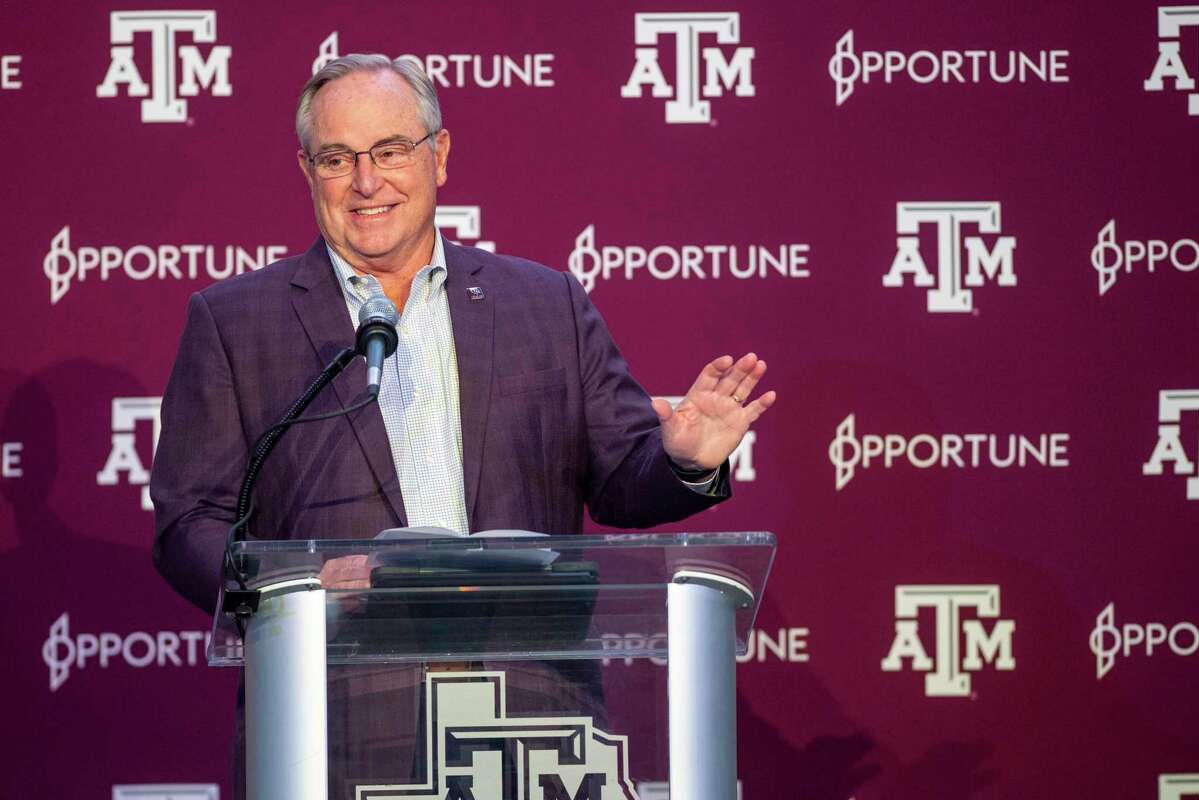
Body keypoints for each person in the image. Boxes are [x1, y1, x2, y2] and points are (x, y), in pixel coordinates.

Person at [149, 53, 775, 796]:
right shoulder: (236, 323)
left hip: (535, 718)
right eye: (338, 158)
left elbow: (620, 481)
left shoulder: (545, 305)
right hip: (335, 723)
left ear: (439, 155)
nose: (367, 182)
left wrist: (681, 459)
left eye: (390, 151)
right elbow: (188, 523)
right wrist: (300, 585)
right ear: (306, 170)